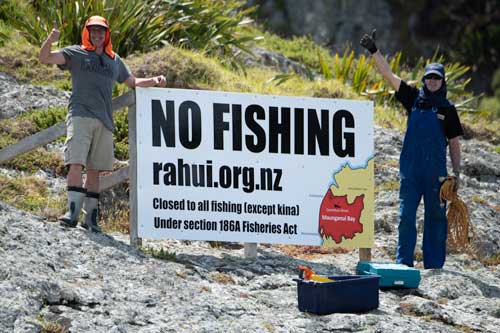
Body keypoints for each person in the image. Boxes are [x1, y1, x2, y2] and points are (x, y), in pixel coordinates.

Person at [39, 16, 166, 232]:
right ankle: (72, 212)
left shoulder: (114, 60)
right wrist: (50, 39)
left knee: (95, 170)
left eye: (101, 31)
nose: (97, 35)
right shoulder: (75, 53)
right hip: (80, 115)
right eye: (93, 31)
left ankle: (91, 219)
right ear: (87, 32)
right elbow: (45, 58)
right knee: (76, 163)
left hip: (104, 121)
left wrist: (154, 80)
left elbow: (132, 82)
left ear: (106, 34)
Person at [360, 29, 464, 269]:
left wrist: (457, 172)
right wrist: (374, 51)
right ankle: (403, 263)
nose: (432, 82)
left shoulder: (448, 110)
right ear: (424, 78)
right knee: (406, 217)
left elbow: (455, 143)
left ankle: (434, 265)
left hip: (436, 174)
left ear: (443, 81)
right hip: (410, 172)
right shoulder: (413, 97)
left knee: (436, 219)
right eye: (429, 78)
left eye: (437, 78)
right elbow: (388, 74)